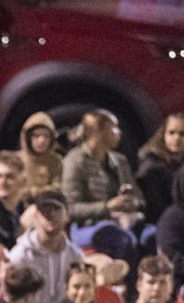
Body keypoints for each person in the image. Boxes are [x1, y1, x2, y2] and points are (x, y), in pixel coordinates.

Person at [61, 110, 142, 260]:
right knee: (123, 240)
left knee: (149, 236)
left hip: (123, 221)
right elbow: (70, 208)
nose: (119, 133)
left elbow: (139, 198)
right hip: (86, 226)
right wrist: (108, 207)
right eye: (114, 129)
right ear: (98, 132)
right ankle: (125, 284)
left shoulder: (119, 161)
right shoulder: (75, 161)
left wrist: (131, 201)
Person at [7, 191, 84, 303]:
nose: (51, 214)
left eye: (56, 208)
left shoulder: (75, 255)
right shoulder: (20, 255)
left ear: (67, 215)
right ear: (36, 216)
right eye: (44, 210)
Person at [137, 113, 184, 224]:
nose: (176, 138)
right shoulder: (151, 168)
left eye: (182, 134)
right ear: (163, 135)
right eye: (171, 133)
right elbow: (157, 209)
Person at [19, 111, 64, 200]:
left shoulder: (56, 161)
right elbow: (16, 191)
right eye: (36, 136)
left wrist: (32, 192)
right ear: (27, 138)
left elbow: (59, 188)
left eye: (46, 136)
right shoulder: (16, 160)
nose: (42, 140)